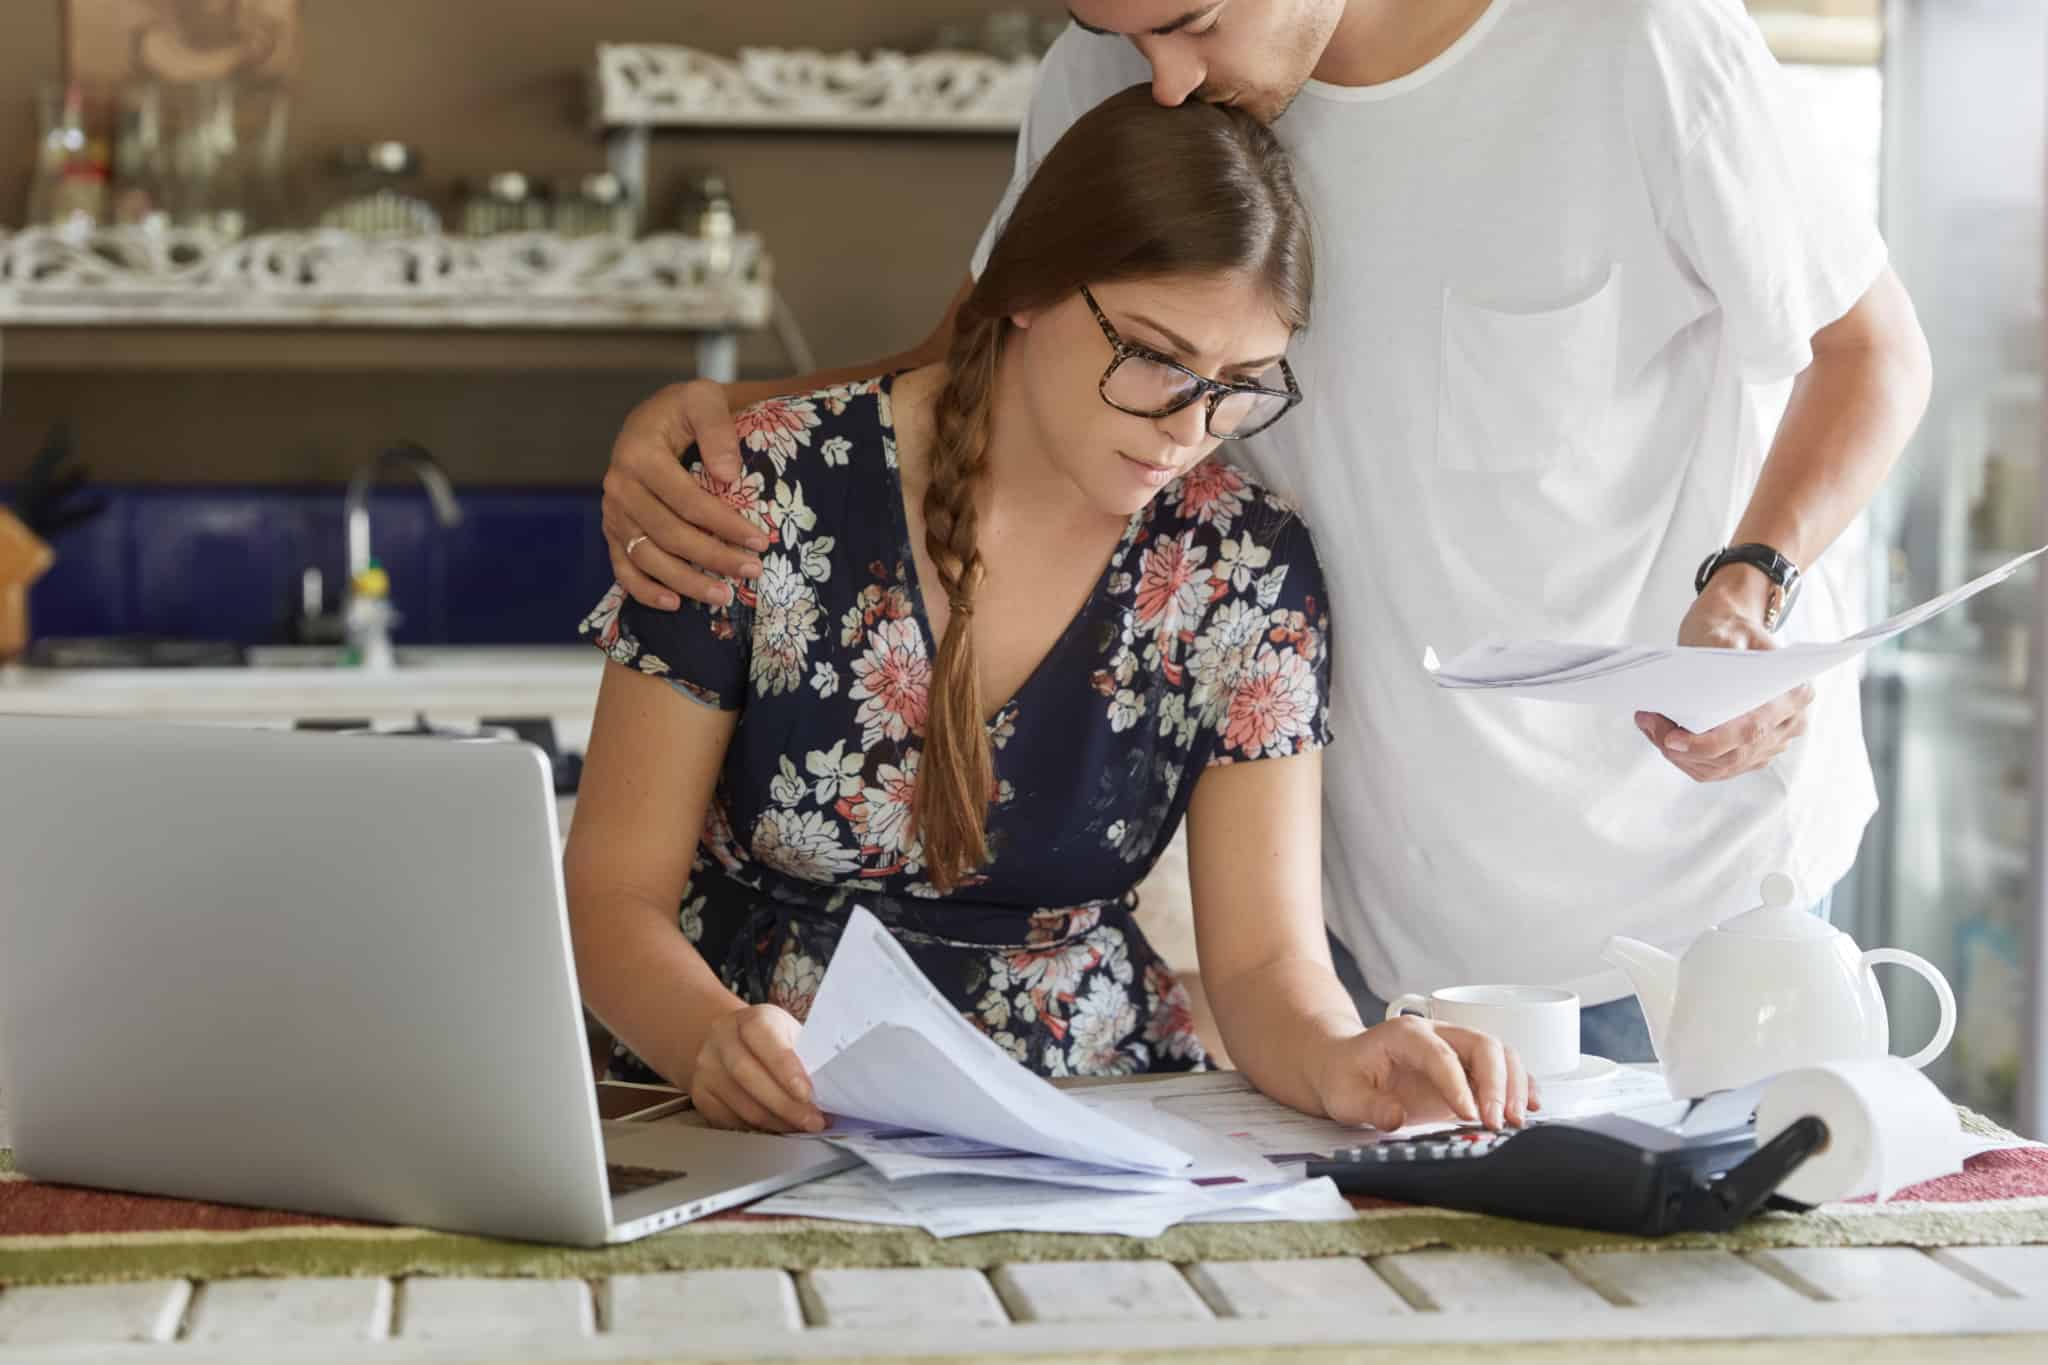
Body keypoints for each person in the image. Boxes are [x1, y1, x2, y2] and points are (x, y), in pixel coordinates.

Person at [594, 0, 1932, 1064]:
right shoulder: (1116, 65)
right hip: (1369, 923)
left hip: (1681, 892)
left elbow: (1872, 354)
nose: (1164, 82)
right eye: (1127, 36)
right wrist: (699, 419)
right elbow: (973, 353)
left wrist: (1754, 587)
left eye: (1189, 22)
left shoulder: (1630, 38)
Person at [565, 87, 1535, 1137]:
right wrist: (708, 1039)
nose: (1190, 426)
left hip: (1094, 1121)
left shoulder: (1245, 564)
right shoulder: (760, 490)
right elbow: (609, 896)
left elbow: (1263, 963)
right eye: (1156, 357)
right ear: (1025, 288)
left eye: (1240, 383)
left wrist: (1341, 1058)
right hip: (751, 1107)